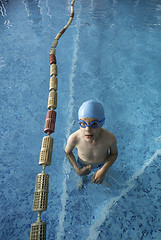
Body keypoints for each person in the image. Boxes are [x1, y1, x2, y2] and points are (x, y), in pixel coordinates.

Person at [65, 100, 118, 185]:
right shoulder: (74, 138)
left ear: (102, 123)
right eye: (83, 124)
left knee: (107, 186)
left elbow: (114, 154)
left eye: (94, 124)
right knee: (80, 185)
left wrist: (104, 169)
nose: (87, 129)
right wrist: (76, 169)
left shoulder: (109, 138)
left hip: (102, 165)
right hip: (82, 165)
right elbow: (68, 152)